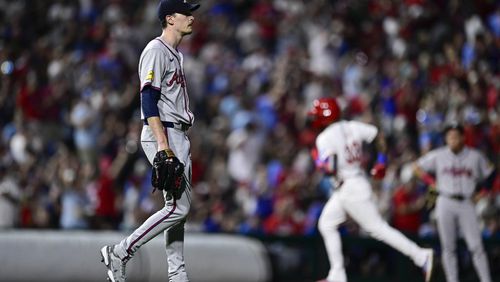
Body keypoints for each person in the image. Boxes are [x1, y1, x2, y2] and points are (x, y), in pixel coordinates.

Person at [99, 0, 200, 281]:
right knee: (178, 208)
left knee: (177, 209)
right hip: (164, 131)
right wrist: (163, 144)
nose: (191, 18)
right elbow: (147, 99)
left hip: (177, 132)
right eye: (186, 13)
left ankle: (177, 275)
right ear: (170, 18)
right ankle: (120, 251)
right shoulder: (156, 50)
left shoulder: (175, 55)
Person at [308, 98, 434, 282]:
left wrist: (319, 162)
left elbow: (331, 168)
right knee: (326, 223)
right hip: (353, 184)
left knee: (378, 229)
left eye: (317, 114)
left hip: (350, 188)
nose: (314, 118)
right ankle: (337, 274)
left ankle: (420, 255)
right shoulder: (352, 126)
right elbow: (378, 135)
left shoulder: (324, 137)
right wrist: (381, 160)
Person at [413, 124, 495, 282]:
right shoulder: (439, 155)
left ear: (463, 137)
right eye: (449, 136)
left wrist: (482, 193)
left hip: (466, 202)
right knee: (448, 247)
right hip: (445, 200)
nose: (452, 139)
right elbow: (416, 167)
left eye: (455, 136)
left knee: (476, 246)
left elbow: (491, 174)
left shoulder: (475, 156)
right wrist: (431, 181)